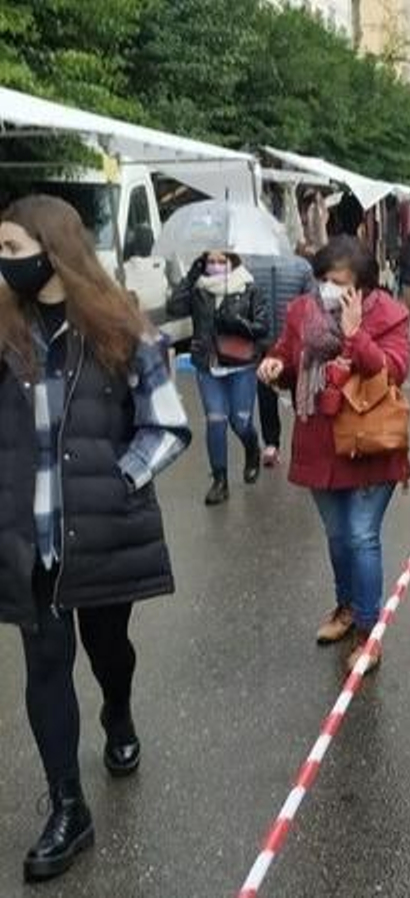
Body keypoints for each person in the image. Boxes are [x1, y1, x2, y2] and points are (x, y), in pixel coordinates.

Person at [0, 195, 191, 882]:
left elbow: (167, 426)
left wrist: (122, 481)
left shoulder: (121, 330)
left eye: (14, 250)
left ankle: (117, 709)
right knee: (47, 664)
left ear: (55, 252)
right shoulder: (4, 332)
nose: (5, 262)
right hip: (30, 539)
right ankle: (68, 808)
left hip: (102, 530)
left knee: (108, 649)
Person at [258, 236, 410, 670]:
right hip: (320, 443)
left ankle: (368, 630)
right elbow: (287, 357)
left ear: (363, 286)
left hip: (369, 444)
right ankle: (345, 606)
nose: (327, 288)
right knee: (338, 535)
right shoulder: (303, 312)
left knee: (362, 535)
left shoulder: (390, 315)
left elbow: (393, 369)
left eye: (338, 282)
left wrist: (355, 332)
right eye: (322, 279)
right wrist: (276, 367)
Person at [167, 248, 270, 505]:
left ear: (232, 262)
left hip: (240, 365)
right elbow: (173, 307)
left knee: (240, 422)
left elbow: (263, 326)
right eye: (209, 261)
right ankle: (219, 481)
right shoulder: (198, 289)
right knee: (215, 420)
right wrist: (191, 275)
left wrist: (238, 323)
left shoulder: (249, 288)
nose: (214, 265)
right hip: (208, 364)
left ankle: (251, 448)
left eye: (220, 261)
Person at [241, 251, 317, 470]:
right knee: (294, 394)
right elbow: (312, 302)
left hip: (278, 342)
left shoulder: (250, 268)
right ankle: (291, 446)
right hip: (284, 342)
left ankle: (274, 445)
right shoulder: (301, 266)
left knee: (273, 393)